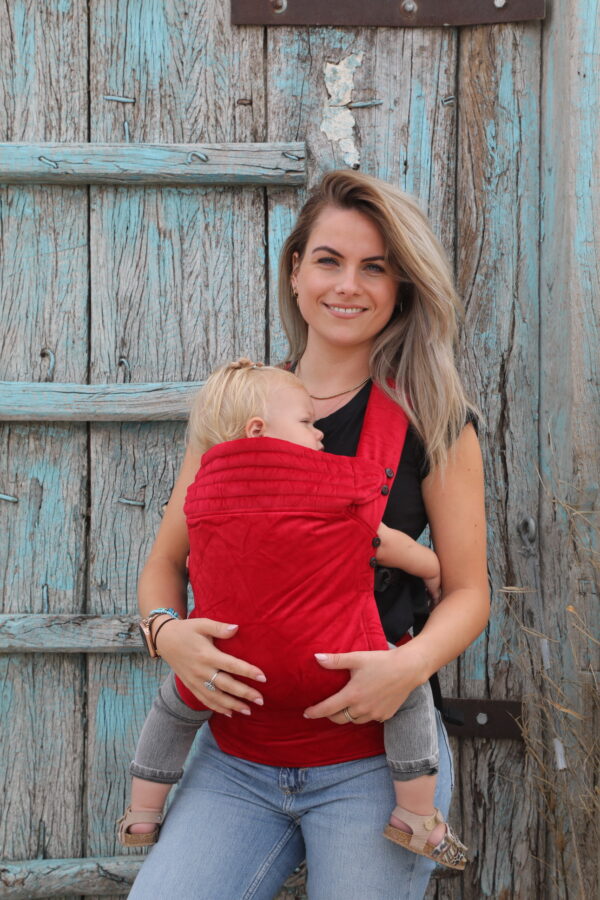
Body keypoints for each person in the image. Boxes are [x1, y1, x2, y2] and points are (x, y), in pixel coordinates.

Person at [128, 170, 489, 900]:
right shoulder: (235, 415)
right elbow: (164, 566)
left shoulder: (435, 423)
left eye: (375, 267)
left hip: (374, 764)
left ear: (401, 286)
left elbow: (468, 592)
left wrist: (406, 666)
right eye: (328, 260)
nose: (347, 285)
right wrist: (167, 635)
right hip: (234, 759)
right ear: (295, 270)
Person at [118, 359, 466, 871]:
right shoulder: (338, 490)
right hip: (335, 675)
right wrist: (430, 565)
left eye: (372, 270)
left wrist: (170, 630)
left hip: (235, 677)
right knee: (410, 695)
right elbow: (380, 541)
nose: (318, 430)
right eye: (306, 423)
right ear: (258, 431)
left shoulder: (204, 496)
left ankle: (142, 813)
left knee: (173, 710)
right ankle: (416, 816)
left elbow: (177, 556)